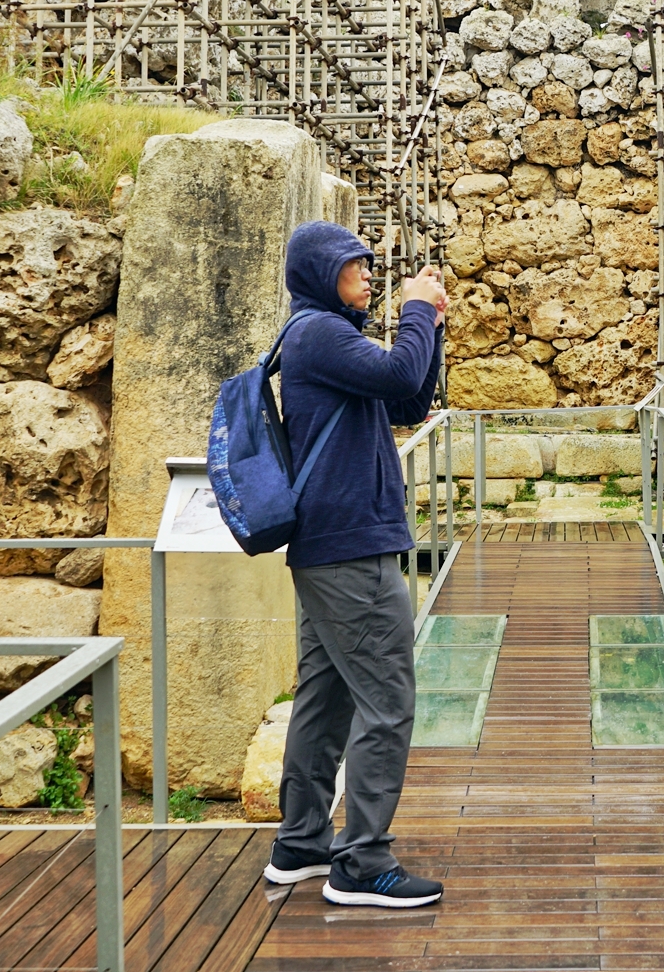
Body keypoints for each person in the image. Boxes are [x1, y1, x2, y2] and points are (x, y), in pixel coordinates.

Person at [261, 220, 448, 908]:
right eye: (353, 265)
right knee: (388, 698)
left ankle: (301, 841)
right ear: (318, 272)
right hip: (352, 551)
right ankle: (363, 861)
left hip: (328, 546)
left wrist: (427, 324)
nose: (367, 274)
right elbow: (400, 368)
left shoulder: (314, 334)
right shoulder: (320, 333)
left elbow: (404, 398)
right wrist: (417, 309)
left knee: (328, 694)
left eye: (369, 265)